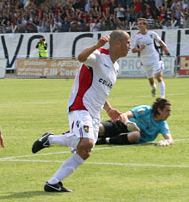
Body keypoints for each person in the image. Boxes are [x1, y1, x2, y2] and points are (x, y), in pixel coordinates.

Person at [31, 30, 131, 192]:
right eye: (128, 43)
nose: (130, 47)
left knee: (85, 151)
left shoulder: (116, 67)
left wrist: (109, 109)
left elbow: (100, 90)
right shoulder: (98, 55)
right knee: (87, 142)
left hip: (95, 112)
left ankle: (53, 182)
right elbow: (81, 58)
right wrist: (97, 45)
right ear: (117, 43)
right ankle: (50, 140)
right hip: (80, 106)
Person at [95, 98, 174, 146]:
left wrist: (166, 142)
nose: (169, 114)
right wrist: (127, 123)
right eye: (167, 111)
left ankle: (103, 140)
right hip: (121, 125)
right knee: (96, 129)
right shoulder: (145, 110)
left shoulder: (162, 124)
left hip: (129, 137)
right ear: (159, 110)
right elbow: (124, 115)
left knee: (136, 135)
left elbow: (170, 139)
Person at [131, 18, 170, 98]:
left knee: (159, 77)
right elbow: (133, 50)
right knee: (151, 80)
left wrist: (165, 48)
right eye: (138, 24)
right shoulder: (137, 37)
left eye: (141, 23)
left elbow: (161, 42)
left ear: (145, 25)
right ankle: (153, 88)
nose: (139, 25)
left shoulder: (152, 34)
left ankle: (163, 98)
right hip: (145, 60)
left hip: (155, 58)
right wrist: (139, 49)